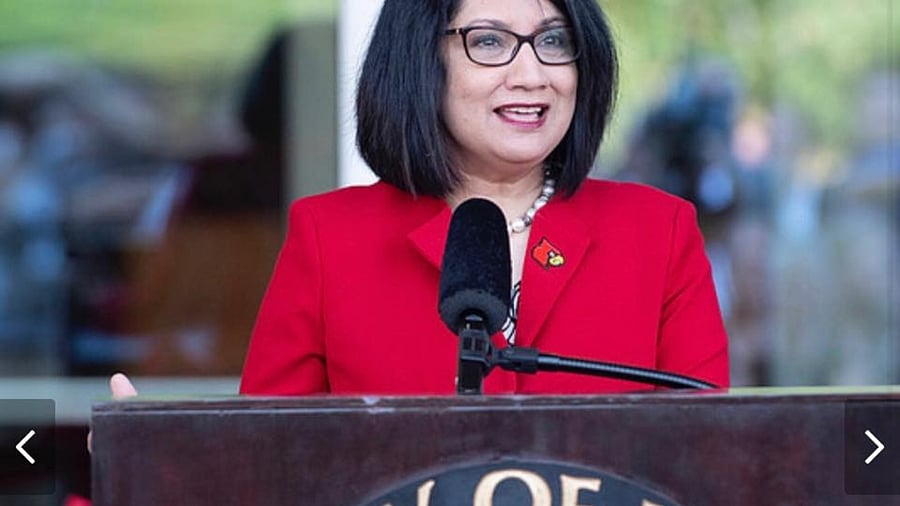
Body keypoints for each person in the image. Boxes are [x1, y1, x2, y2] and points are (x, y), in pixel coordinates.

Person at [107, 0, 728, 401]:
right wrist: (163, 467)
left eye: (555, 41)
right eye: (489, 42)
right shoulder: (331, 238)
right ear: (422, 59)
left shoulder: (658, 231)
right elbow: (267, 467)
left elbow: (711, 459)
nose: (532, 74)